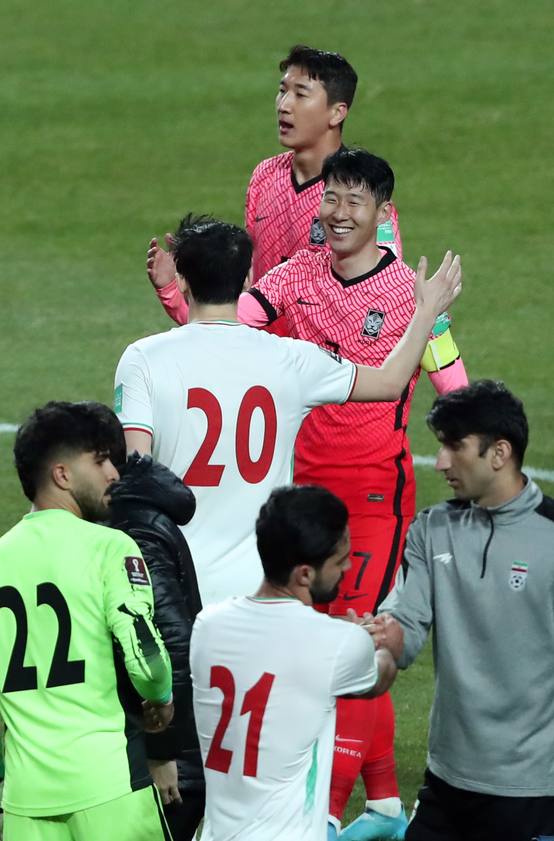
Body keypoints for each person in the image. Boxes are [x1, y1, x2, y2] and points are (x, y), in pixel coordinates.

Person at [142, 148, 468, 838]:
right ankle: (385, 805)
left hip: (375, 497)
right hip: (303, 494)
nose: (338, 213)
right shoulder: (295, 274)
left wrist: (466, 429)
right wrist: (177, 294)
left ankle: (327, 810)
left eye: (355, 201)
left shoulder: (408, 291)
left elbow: (443, 365)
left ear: (383, 213)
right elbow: (225, 326)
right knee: (325, 642)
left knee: (348, 639)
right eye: (331, 199)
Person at [115, 213, 461, 610]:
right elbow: (389, 382)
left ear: (181, 281)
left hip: (174, 582)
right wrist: (426, 311)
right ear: (247, 280)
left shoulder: (143, 359)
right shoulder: (292, 360)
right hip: (261, 593)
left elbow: (136, 478)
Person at [373, 380, 554, 841]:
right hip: (446, 783)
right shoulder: (434, 528)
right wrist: (382, 642)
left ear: (499, 453)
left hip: (532, 792)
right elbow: (404, 625)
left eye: (455, 446)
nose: (441, 462)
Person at [0, 401, 174, 841]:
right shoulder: (110, 547)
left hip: (24, 801)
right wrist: (162, 697)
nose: (114, 473)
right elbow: (147, 661)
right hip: (109, 790)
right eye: (99, 462)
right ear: (62, 475)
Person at [190, 484, 398, 841]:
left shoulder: (207, 625)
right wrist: (387, 644)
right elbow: (380, 677)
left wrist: (337, 632)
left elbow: (276, 644)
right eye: (339, 561)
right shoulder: (338, 644)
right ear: (304, 574)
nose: (348, 566)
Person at [150, 45, 401, 332]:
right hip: (260, 350)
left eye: (300, 94)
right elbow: (244, 287)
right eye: (282, 91)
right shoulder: (266, 176)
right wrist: (173, 287)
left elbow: (384, 291)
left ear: (336, 113)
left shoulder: (361, 199)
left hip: (327, 355)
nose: (284, 105)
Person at [109, 452, 205, 841]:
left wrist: (164, 753)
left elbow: (172, 644)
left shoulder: (131, 529)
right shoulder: (131, 516)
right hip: (158, 751)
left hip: (164, 764)